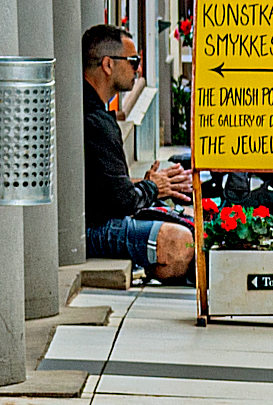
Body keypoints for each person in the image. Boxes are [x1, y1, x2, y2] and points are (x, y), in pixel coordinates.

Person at [76, 26, 192, 283]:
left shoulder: (90, 109)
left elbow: (105, 189)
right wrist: (152, 188)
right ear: (108, 64)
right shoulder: (94, 119)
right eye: (133, 61)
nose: (137, 69)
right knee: (180, 242)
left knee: (185, 227)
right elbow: (122, 202)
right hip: (92, 230)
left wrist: (149, 185)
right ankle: (147, 265)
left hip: (94, 220)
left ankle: (147, 264)